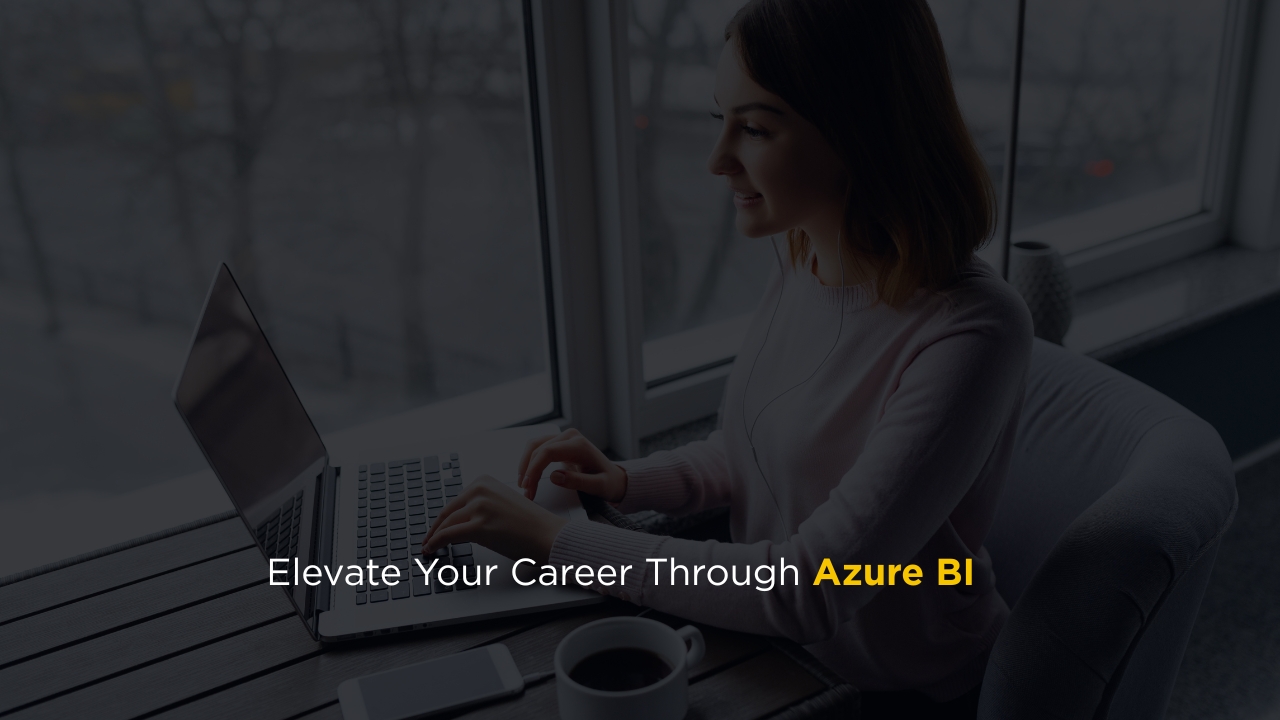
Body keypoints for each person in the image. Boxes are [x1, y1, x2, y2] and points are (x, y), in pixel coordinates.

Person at [424, 0, 1032, 716]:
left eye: (755, 128)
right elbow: (755, 454)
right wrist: (622, 481)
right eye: (720, 119)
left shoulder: (973, 334)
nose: (717, 161)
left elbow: (811, 589)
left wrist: (553, 537)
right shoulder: (804, 255)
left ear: (860, 133)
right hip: (773, 651)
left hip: (899, 690)